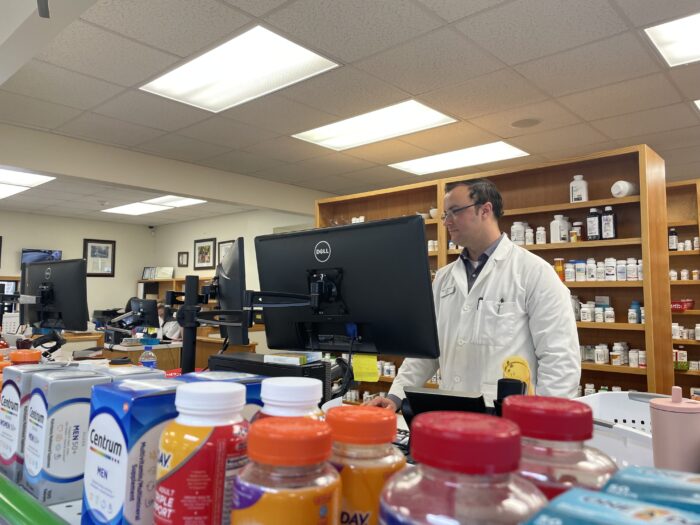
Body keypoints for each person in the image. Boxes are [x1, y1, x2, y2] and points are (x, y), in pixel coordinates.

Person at [369, 178, 580, 410]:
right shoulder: (443, 278)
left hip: (507, 417)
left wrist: (540, 421)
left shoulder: (534, 272)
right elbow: (428, 351)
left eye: (455, 212)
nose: (447, 221)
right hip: (451, 412)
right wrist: (396, 396)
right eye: (444, 215)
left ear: (485, 210)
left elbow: (560, 359)